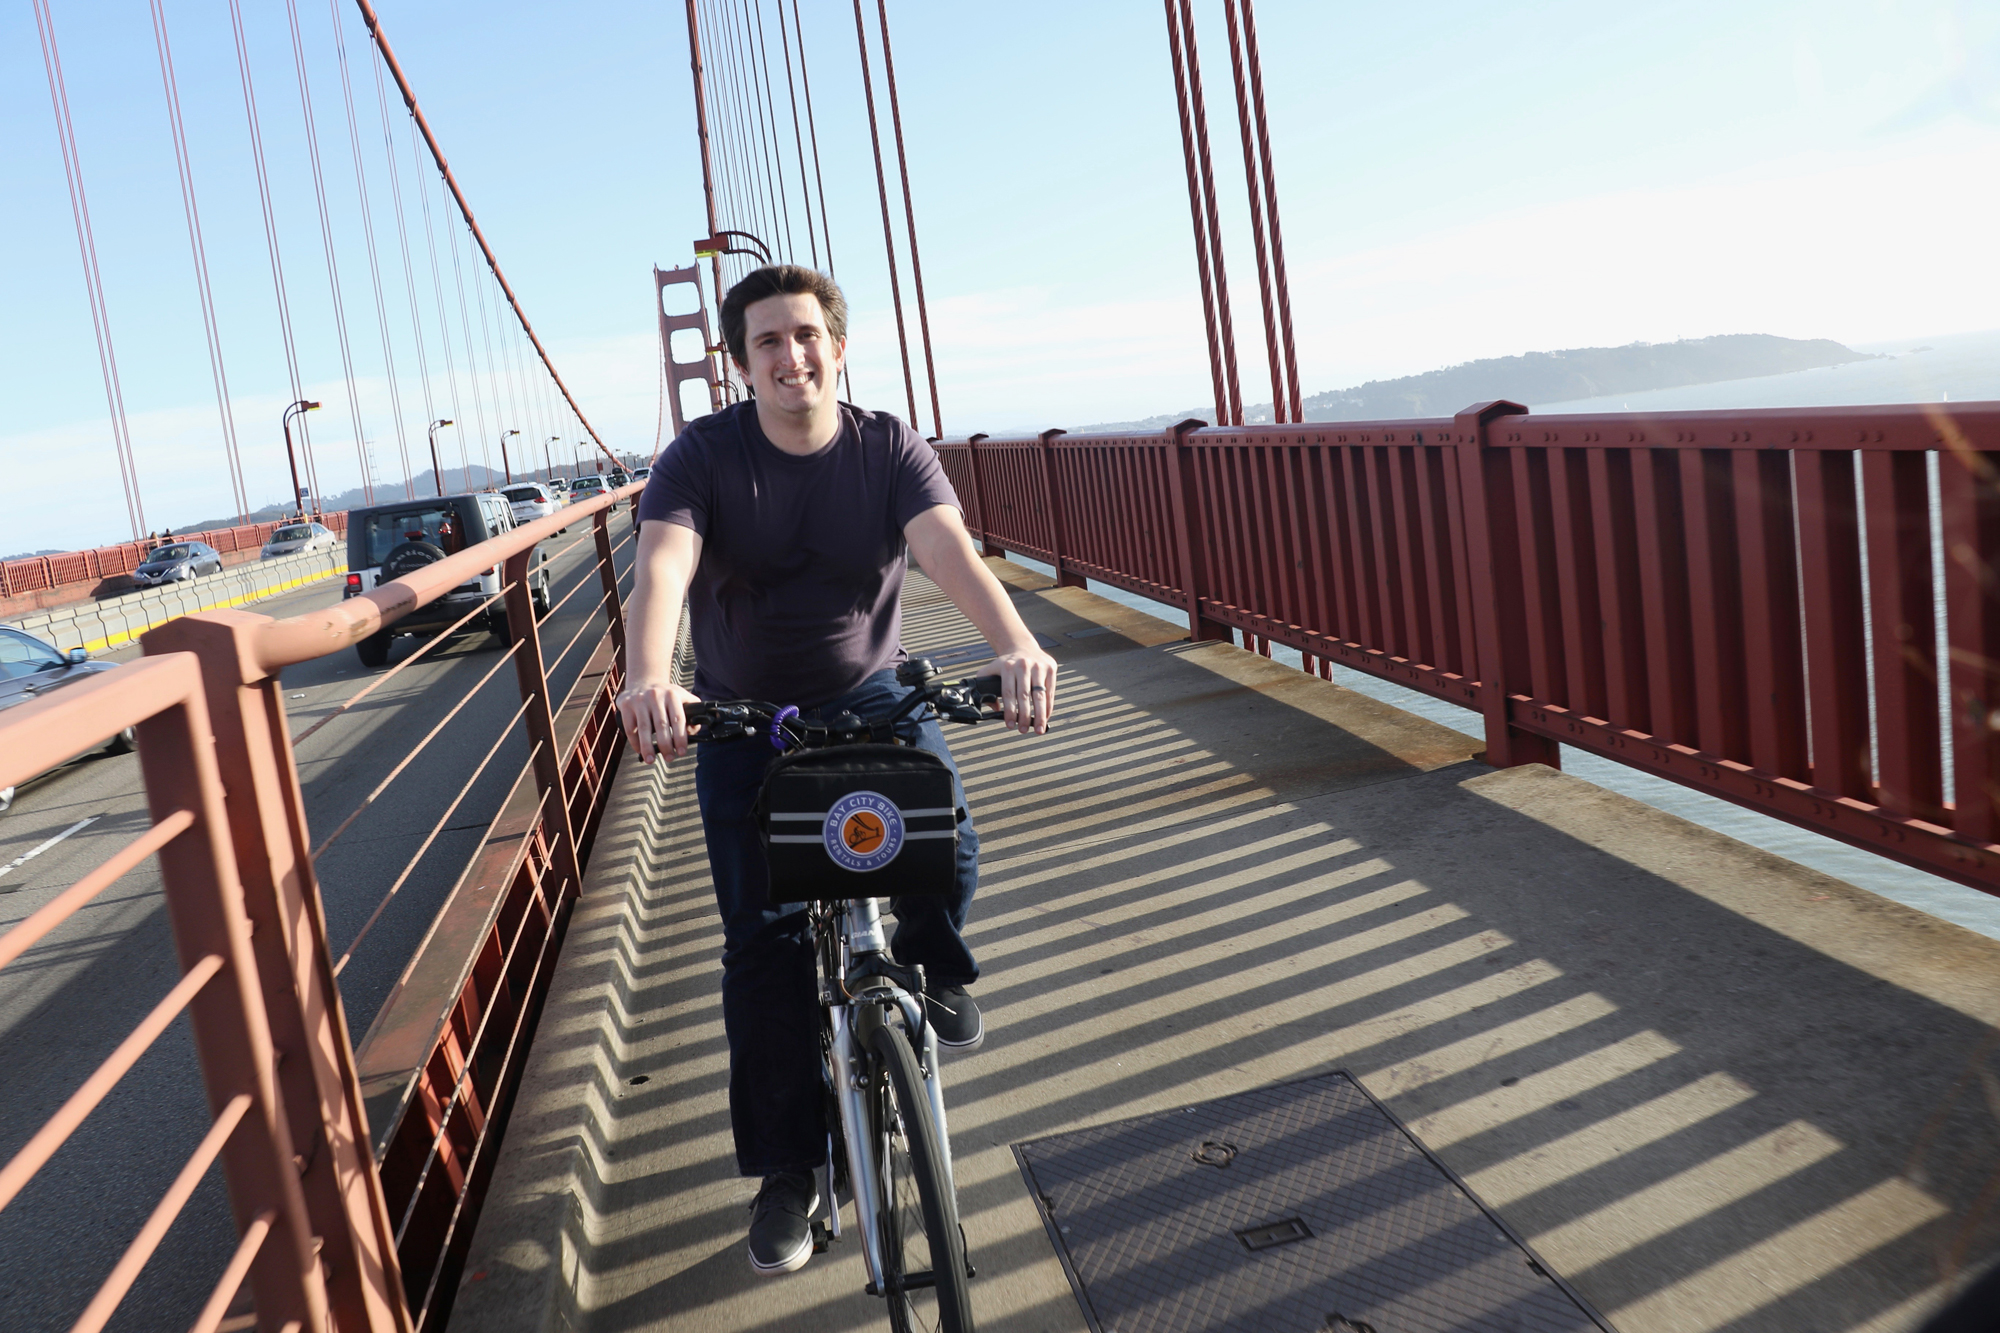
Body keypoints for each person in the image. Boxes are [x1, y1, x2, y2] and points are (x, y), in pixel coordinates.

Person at [614, 264, 1058, 1277]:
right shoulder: (701, 457)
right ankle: (792, 1168)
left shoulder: (886, 445)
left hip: (869, 697)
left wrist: (1015, 645)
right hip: (741, 718)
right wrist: (648, 675)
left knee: (944, 847)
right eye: (766, 341)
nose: (790, 355)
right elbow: (662, 570)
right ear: (739, 363)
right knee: (760, 947)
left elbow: (949, 552)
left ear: (838, 345)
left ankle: (933, 962)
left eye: (805, 335)